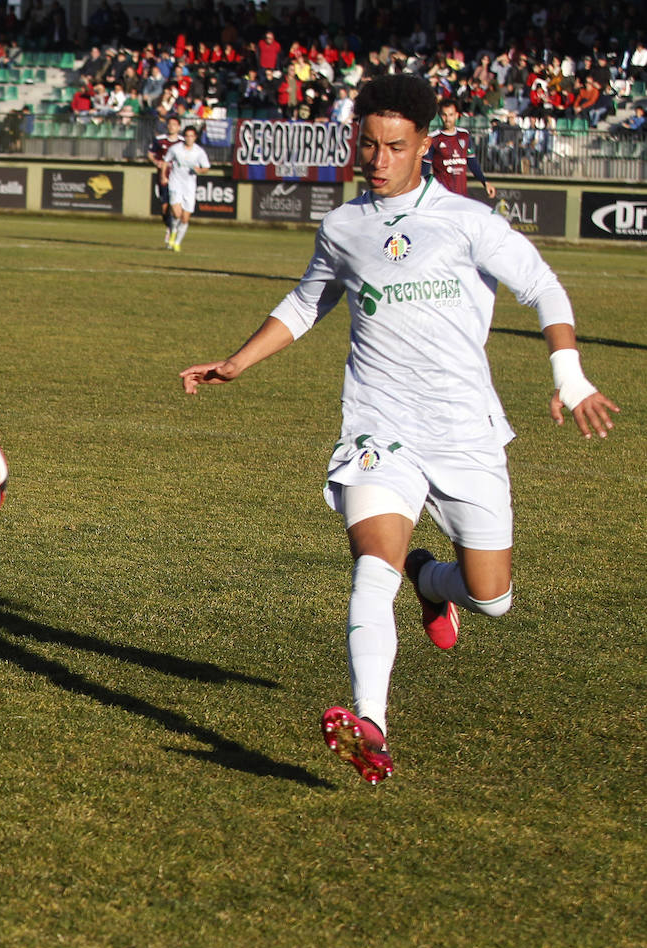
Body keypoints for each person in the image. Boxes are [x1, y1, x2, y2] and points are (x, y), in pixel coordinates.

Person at [178, 74, 618, 785]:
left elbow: (542, 287)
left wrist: (569, 376)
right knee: (368, 571)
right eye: (368, 145)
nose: (377, 160)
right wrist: (239, 361)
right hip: (379, 426)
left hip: (464, 430)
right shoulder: (343, 226)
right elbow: (306, 300)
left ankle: (431, 578)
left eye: (394, 146)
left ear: (424, 147)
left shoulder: (467, 220)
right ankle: (371, 723)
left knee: (494, 596)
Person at [425, 97, 496, 199]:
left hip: (461, 196)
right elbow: (424, 170)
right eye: (444, 115)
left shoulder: (464, 135)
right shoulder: (433, 138)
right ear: (440, 116)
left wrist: (485, 182)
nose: (447, 119)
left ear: (457, 115)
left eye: (451, 115)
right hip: (441, 198)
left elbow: (472, 162)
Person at [162, 122, 210, 252]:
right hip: (175, 183)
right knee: (176, 213)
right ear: (184, 137)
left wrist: (200, 170)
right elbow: (166, 161)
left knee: (185, 218)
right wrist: (163, 176)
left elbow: (206, 167)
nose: (189, 138)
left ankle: (177, 242)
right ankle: (172, 233)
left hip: (189, 185)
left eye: (192, 136)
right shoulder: (175, 148)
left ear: (195, 137)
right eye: (187, 136)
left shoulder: (199, 152)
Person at [147, 114, 181, 246]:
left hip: (178, 179)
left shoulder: (182, 141)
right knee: (164, 207)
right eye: (170, 124)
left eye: (174, 125)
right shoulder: (159, 140)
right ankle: (169, 227)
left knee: (176, 206)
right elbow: (150, 154)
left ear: (179, 127)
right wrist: (156, 162)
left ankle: (173, 230)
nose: (171, 127)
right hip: (163, 176)